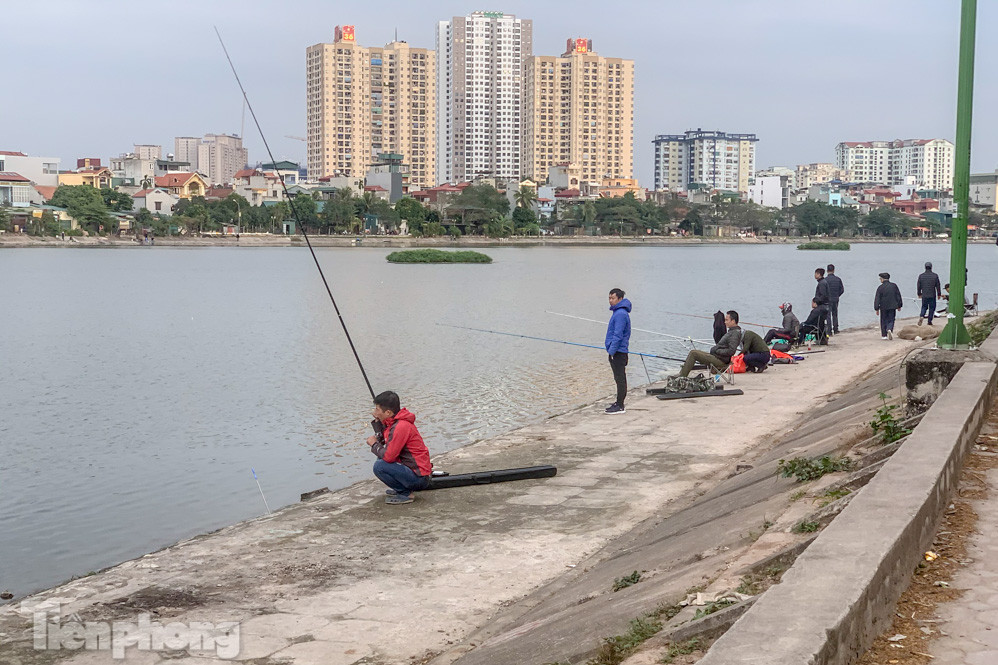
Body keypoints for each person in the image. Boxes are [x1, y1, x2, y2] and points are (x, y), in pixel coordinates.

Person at [366, 390, 432, 505]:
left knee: (379, 466)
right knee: (380, 459)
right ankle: (403, 488)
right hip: (415, 472)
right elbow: (384, 440)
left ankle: (406, 494)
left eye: (377, 409)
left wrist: (374, 444)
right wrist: (378, 423)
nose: (374, 412)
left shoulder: (400, 426)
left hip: (419, 478)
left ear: (387, 412)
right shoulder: (393, 423)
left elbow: (389, 457)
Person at [678, 310, 742, 377]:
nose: (724, 322)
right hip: (718, 357)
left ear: (733, 321)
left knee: (693, 353)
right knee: (694, 352)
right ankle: (682, 374)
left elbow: (731, 351)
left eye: (726, 320)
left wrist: (717, 350)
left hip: (721, 361)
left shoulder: (735, 333)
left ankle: (681, 377)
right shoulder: (732, 332)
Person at [604, 288, 632, 415]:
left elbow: (618, 335)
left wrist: (612, 351)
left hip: (618, 352)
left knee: (620, 379)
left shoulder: (620, 313)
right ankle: (618, 402)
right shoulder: (617, 312)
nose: (610, 301)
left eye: (613, 298)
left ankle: (620, 405)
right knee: (618, 378)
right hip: (616, 351)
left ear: (620, 299)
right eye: (609, 298)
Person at [874, 272, 903, 340]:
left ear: (882, 279)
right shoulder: (894, 286)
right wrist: (899, 305)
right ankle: (889, 329)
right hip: (893, 306)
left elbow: (877, 298)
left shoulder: (880, 288)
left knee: (883, 320)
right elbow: (898, 296)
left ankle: (884, 335)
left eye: (880, 279)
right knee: (891, 319)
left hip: (883, 306)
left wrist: (876, 308)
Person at [916, 261, 942, 326]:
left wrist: (919, 293)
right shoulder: (935, 276)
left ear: (925, 267)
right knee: (932, 308)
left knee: (924, 306)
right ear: (931, 267)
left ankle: (922, 315)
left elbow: (919, 285)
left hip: (924, 295)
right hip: (932, 295)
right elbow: (938, 285)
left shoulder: (921, 276)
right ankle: (929, 321)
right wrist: (939, 294)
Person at [813, 268, 831, 344]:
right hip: (823, 305)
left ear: (819, 274)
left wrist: (816, 301)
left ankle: (821, 339)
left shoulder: (822, 283)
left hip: (822, 306)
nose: (814, 275)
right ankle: (822, 339)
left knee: (819, 323)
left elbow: (824, 295)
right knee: (820, 323)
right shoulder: (822, 282)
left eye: (815, 273)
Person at [825, 264, 844, 335]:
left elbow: (824, 291)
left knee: (828, 315)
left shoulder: (825, 280)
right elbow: (842, 290)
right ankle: (835, 329)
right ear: (833, 270)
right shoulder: (838, 279)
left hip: (828, 299)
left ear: (827, 271)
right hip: (836, 298)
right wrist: (837, 295)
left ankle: (829, 331)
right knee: (835, 314)